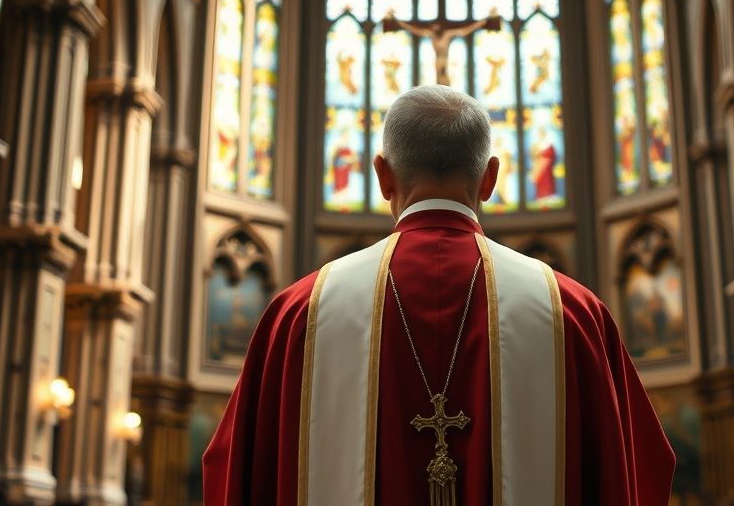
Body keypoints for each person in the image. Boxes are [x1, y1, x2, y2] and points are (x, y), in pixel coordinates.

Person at [203, 85, 675, 505]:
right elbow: (640, 472)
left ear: (383, 175)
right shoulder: (573, 313)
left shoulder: (298, 315)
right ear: (490, 178)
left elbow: (232, 475)